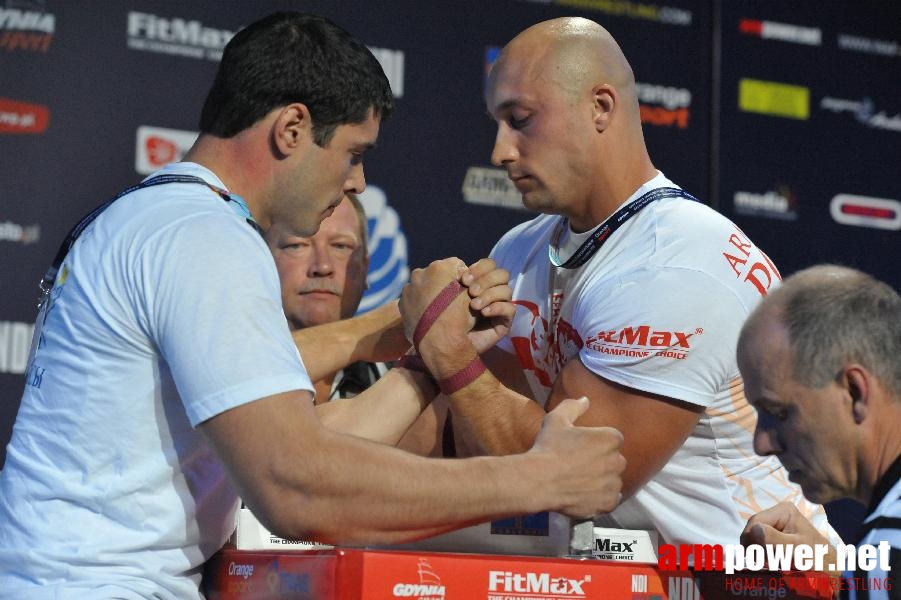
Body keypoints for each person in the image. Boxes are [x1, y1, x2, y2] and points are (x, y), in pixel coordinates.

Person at [0, 13, 626, 599]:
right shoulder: (204, 238)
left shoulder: (160, 217)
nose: (357, 182)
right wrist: (538, 480)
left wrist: (426, 354)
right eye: (354, 154)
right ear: (292, 129)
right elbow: (295, 487)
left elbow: (302, 445)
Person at [398, 15, 837, 547]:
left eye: (521, 120)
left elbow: (574, 481)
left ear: (600, 107)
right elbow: (471, 432)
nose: (500, 151)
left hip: (750, 575)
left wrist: (449, 355)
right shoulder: (520, 248)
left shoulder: (679, 264)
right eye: (498, 123)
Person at [739, 265, 900, 599]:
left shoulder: (888, 548)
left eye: (779, 412)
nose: (762, 443)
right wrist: (843, 573)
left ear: (854, 391)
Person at [265, 193, 388, 403]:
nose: (322, 266)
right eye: (297, 245)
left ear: (365, 269)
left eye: (341, 246)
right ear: (261, 261)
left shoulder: (397, 379)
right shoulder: (223, 365)